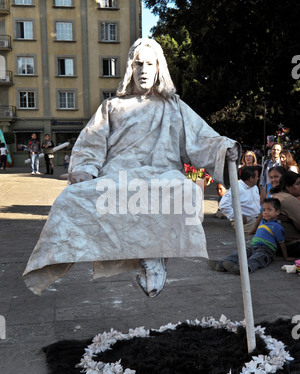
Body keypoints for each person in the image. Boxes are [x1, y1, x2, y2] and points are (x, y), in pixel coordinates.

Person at [22, 38, 239, 297]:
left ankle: (152, 258)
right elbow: (91, 144)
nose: (144, 69)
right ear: (130, 69)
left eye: (150, 63)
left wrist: (224, 148)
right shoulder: (111, 107)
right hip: (117, 176)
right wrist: (86, 169)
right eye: (138, 64)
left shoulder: (174, 107)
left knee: (183, 191)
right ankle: (60, 258)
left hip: (163, 175)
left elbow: (201, 138)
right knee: (69, 199)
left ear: (159, 68)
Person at [208, 198, 294, 275]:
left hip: (266, 250)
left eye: (269, 210)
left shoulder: (277, 226)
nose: (265, 212)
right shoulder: (263, 221)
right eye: (264, 210)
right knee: (240, 253)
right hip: (253, 246)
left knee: (256, 258)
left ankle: (242, 269)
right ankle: (224, 263)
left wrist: (286, 257)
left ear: (277, 212)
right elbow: (259, 217)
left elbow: (282, 243)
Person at [219, 166, 260, 232]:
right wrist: (237, 217)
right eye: (257, 176)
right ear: (251, 179)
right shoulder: (236, 187)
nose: (258, 178)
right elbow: (223, 205)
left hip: (257, 218)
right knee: (264, 231)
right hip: (246, 221)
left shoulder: (255, 187)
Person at [249, 166, 286, 235]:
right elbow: (262, 210)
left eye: (276, 177)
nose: (273, 180)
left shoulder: (288, 190)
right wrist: (255, 227)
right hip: (265, 226)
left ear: (283, 176)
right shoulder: (269, 188)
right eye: (271, 177)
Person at [272, 171, 300, 258]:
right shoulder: (289, 199)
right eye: (298, 184)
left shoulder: (276, 196)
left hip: (278, 245)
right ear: (288, 187)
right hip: (292, 245)